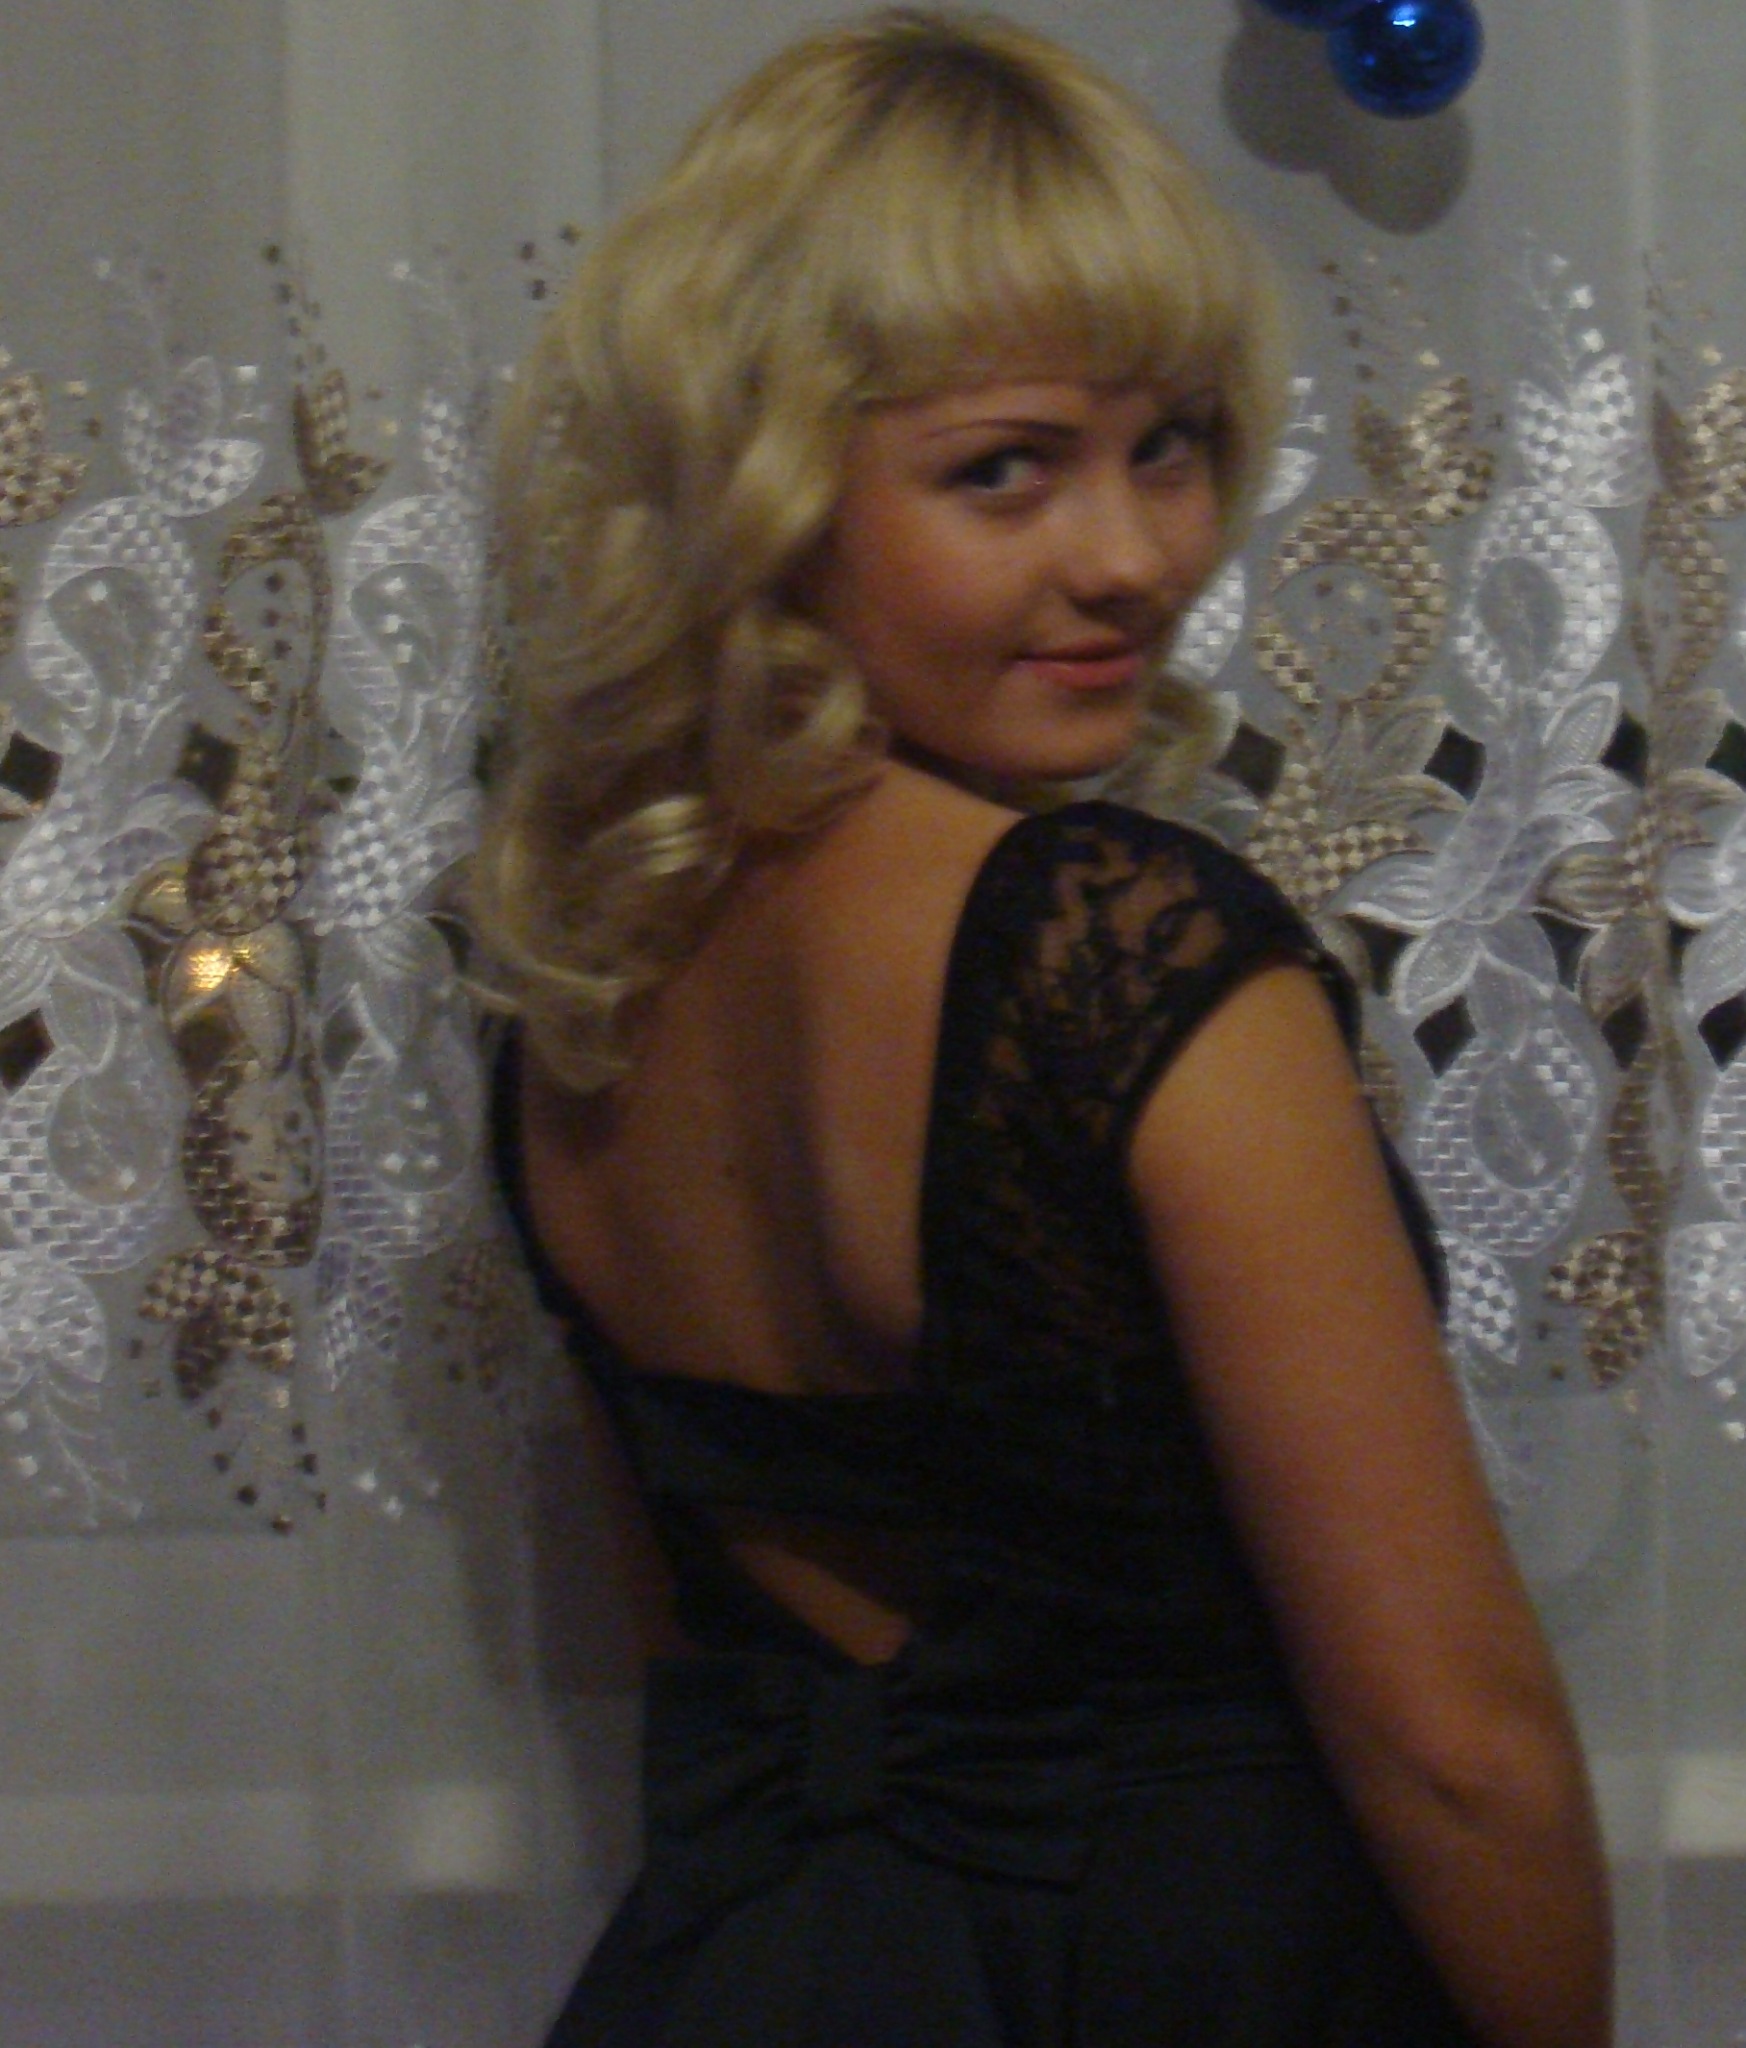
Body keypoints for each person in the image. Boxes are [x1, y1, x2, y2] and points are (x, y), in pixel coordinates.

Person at [474, 11, 1613, 2044]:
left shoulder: (595, 978)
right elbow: (1456, 1746)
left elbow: (700, 1671)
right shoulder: (1114, 952)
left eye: (1166, 443)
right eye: (1002, 469)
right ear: (765, 489)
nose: (1135, 558)